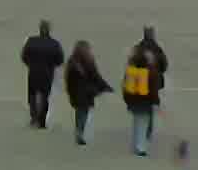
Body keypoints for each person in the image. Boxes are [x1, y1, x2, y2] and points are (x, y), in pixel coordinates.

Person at [119, 28, 168, 156]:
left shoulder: (133, 65)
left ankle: (137, 144)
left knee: (137, 121)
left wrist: (126, 99)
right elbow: (163, 67)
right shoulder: (152, 69)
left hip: (133, 98)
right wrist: (156, 101)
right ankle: (141, 147)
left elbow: (125, 85)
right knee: (144, 120)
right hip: (146, 99)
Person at [61, 39, 108, 145]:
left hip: (76, 93)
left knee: (79, 112)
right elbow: (96, 77)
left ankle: (79, 132)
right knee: (84, 112)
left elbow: (68, 78)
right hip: (87, 92)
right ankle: (80, 132)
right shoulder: (89, 61)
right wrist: (105, 87)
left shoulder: (72, 61)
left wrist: (69, 91)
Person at [19, 20, 63, 129]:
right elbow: (60, 60)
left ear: (39, 29)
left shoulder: (31, 41)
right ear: (49, 30)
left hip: (33, 72)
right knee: (44, 97)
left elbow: (24, 56)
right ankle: (42, 121)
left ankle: (34, 117)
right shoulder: (55, 44)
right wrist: (52, 65)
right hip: (48, 74)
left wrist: (30, 64)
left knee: (32, 95)